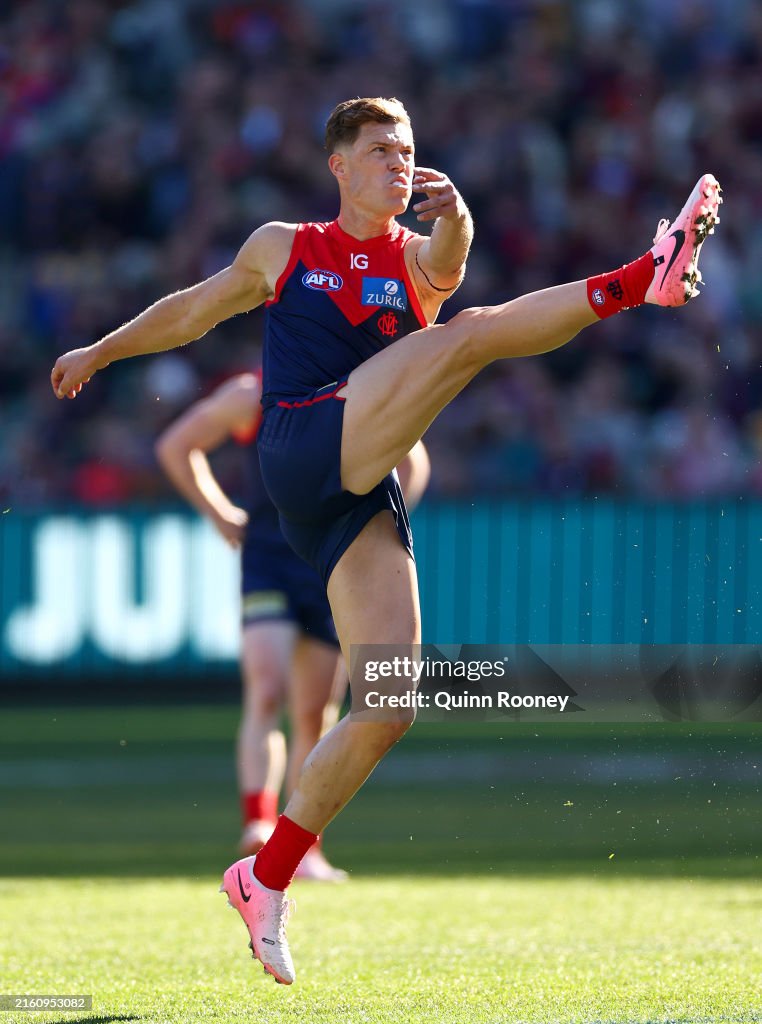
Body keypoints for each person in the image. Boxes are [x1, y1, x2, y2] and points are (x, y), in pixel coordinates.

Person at [51, 96, 722, 986]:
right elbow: (194, 313)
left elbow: (450, 261)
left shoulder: (416, 258)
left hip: (352, 494)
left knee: (390, 703)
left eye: (406, 150)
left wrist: (462, 221)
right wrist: (102, 349)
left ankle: (266, 874)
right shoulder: (286, 245)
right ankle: (643, 278)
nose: (399, 164)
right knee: (469, 340)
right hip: (296, 443)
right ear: (338, 165)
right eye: (379, 151)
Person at [155, 370, 430, 881]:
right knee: (266, 690)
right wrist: (219, 513)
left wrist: (372, 535)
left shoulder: (359, 391)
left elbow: (413, 461)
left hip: (330, 569)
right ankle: (257, 823)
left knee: (314, 713)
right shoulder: (252, 395)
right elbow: (178, 445)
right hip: (270, 563)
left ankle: (302, 846)